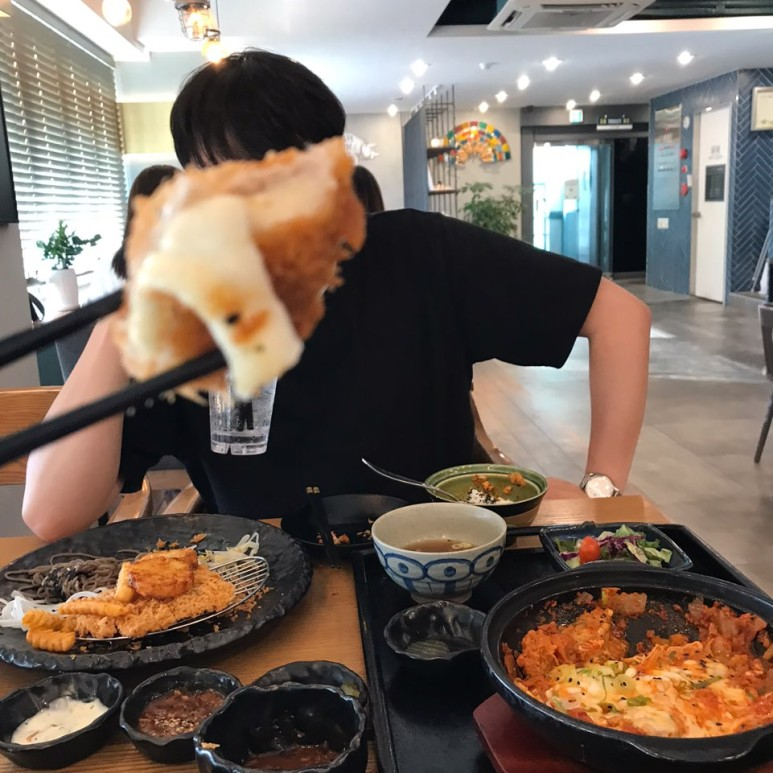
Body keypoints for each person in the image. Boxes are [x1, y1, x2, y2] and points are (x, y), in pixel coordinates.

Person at [23, 50, 651, 541]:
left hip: (444, 564)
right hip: (256, 587)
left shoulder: (421, 252)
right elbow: (52, 515)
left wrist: (600, 490)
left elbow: (620, 316)